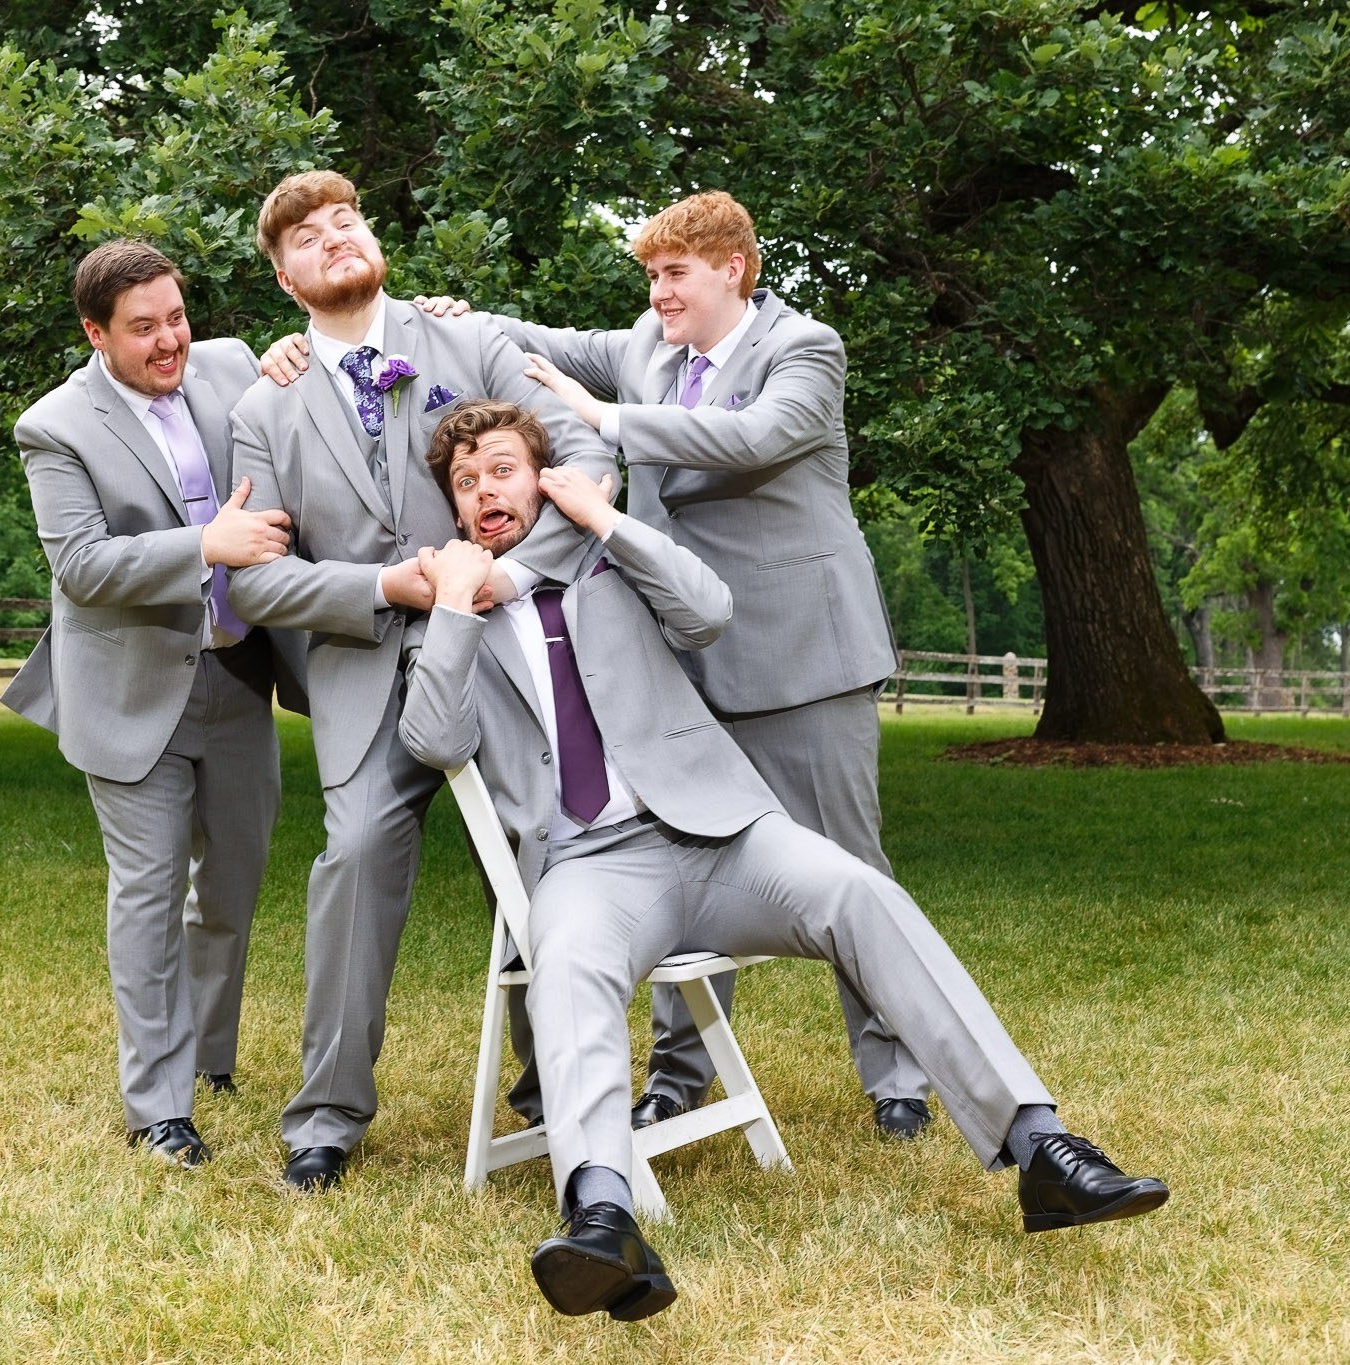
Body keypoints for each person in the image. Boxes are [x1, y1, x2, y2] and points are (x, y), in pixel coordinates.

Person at [398, 400, 1167, 1321]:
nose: (487, 491)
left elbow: (711, 610)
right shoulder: (453, 621)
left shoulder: (612, 561)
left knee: (860, 892)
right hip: (592, 866)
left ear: (543, 479)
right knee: (563, 966)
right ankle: (604, 1215)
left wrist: (602, 514)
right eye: (466, 482)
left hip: (723, 834)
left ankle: (1040, 1146)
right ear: (454, 512)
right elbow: (435, 738)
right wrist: (451, 604)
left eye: (503, 469)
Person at [261, 191, 932, 1140]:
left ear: (733, 269)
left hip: (797, 645)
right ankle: (679, 1073)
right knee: (684, 834)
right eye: (650, 275)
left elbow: (756, 439)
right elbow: (529, 339)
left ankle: (897, 1076)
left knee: (847, 862)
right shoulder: (646, 349)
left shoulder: (803, 348)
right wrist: (418, 319)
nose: (658, 293)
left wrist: (607, 422)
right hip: (665, 638)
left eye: (676, 275)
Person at [223, 171, 616, 1192]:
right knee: (351, 857)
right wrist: (382, 584)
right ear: (283, 278)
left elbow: (576, 449)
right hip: (364, 672)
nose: (335, 237)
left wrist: (515, 572)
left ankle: (559, 1093)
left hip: (501, 652)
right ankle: (325, 1117)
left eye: (347, 219)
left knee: (548, 844)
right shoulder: (264, 407)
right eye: (307, 237)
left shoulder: (469, 341)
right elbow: (259, 577)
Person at [1, 239, 302, 1166]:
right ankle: (160, 1109)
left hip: (238, 674)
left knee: (236, 882)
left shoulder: (228, 362)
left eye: (176, 317)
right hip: (130, 690)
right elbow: (83, 567)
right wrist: (206, 543)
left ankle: (209, 1054)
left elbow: (319, 379)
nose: (170, 341)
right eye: (144, 328)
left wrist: (305, 354)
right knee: (148, 894)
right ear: (95, 333)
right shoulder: (54, 427)